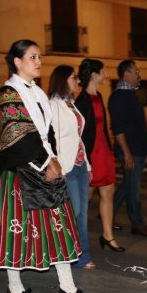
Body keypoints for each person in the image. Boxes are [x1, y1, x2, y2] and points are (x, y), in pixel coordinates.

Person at [0, 39, 94, 293]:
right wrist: (48, 164)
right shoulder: (8, 92)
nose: (38, 61)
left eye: (39, 56)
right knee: (16, 232)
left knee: (59, 228)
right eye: (32, 57)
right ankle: (15, 286)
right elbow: (17, 136)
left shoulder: (39, 93)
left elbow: (48, 133)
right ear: (17, 62)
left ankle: (67, 286)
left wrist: (54, 159)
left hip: (45, 166)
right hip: (18, 172)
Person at [48, 65, 95, 270]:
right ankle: (68, 254)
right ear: (63, 80)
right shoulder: (53, 105)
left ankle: (82, 256)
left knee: (82, 213)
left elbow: (78, 137)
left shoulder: (71, 104)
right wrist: (59, 167)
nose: (77, 80)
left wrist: (88, 164)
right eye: (73, 77)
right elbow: (52, 140)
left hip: (80, 165)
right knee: (73, 212)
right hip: (67, 168)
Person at [75, 58, 124, 251]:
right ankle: (78, 238)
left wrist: (109, 150)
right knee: (85, 198)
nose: (106, 75)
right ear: (94, 75)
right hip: (90, 154)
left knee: (108, 193)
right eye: (103, 72)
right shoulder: (82, 100)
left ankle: (108, 235)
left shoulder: (100, 96)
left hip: (103, 150)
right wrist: (84, 160)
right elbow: (80, 133)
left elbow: (102, 127)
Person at [109, 59, 147, 238]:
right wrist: (128, 154)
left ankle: (107, 213)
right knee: (134, 191)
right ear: (127, 74)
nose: (139, 75)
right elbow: (118, 128)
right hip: (131, 152)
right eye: (136, 72)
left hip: (138, 151)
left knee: (129, 186)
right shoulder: (118, 96)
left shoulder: (131, 95)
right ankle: (138, 224)